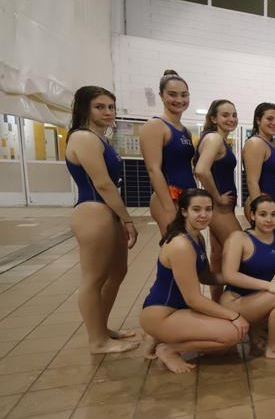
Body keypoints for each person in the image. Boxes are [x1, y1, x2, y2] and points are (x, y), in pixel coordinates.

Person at [65, 86, 140, 354]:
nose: (108, 112)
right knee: (94, 278)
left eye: (111, 107)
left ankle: (102, 327)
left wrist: (120, 218)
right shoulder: (83, 138)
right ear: (85, 108)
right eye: (100, 107)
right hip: (93, 210)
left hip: (107, 212)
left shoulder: (100, 138)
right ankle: (96, 340)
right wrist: (128, 219)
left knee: (118, 272)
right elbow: (103, 184)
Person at [140, 189, 246, 374]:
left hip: (177, 311)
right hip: (163, 314)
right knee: (232, 333)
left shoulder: (196, 237)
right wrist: (234, 316)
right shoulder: (181, 245)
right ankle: (169, 349)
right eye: (196, 209)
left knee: (226, 339)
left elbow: (205, 276)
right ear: (184, 211)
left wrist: (233, 276)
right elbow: (193, 299)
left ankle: (157, 337)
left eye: (208, 209)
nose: (203, 215)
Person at [221, 195, 275, 360]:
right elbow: (229, 275)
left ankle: (255, 328)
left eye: (274, 214)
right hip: (235, 300)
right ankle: (274, 347)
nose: (269, 219)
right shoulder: (239, 238)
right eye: (263, 214)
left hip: (260, 299)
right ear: (252, 215)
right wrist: (269, 286)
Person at [194, 99, 241, 301]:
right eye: (225, 115)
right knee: (242, 251)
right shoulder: (214, 139)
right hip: (220, 210)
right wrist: (217, 197)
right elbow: (201, 170)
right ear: (213, 118)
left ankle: (217, 303)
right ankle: (236, 301)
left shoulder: (215, 139)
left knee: (219, 257)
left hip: (221, 209)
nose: (231, 119)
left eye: (234, 115)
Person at [139, 70, 196, 235]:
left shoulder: (185, 131)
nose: (179, 100)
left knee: (189, 249)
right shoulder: (155, 126)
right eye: (172, 94)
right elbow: (153, 169)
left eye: (184, 95)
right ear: (161, 95)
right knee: (176, 250)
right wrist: (169, 208)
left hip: (186, 198)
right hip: (168, 198)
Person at [243, 103, 275, 217]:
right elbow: (252, 181)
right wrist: (260, 210)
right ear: (258, 120)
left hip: (271, 202)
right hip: (260, 203)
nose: (274, 123)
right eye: (269, 119)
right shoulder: (255, 143)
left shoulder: (270, 144)